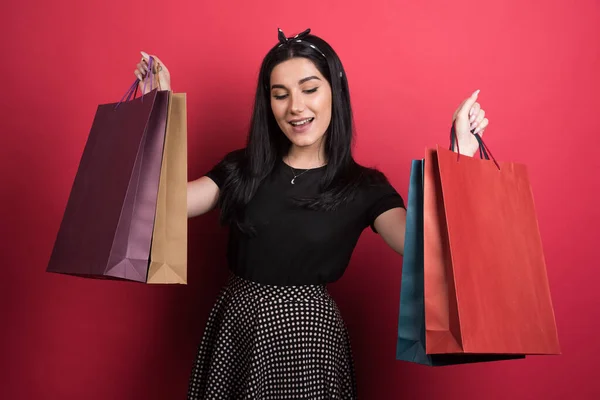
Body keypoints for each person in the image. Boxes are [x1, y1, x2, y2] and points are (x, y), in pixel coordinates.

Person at [133, 28, 489, 399]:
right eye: (280, 95)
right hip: (237, 332)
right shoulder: (242, 170)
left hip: (311, 343)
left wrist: (459, 156)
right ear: (267, 104)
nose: (295, 107)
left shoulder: (363, 187)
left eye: (309, 89)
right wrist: (156, 113)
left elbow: (426, 247)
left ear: (335, 91)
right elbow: (160, 204)